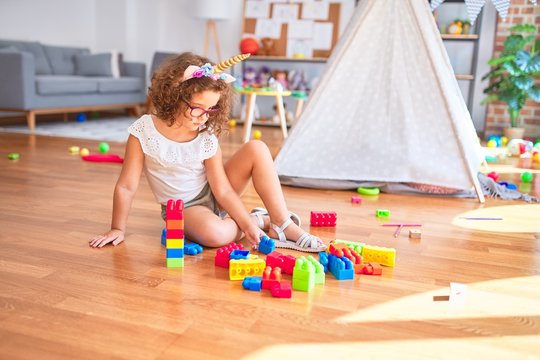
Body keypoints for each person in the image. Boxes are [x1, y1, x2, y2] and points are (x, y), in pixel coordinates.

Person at [89, 52, 326, 253]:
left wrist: (239, 220)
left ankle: (282, 223)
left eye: (210, 109)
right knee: (216, 235)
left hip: (216, 194)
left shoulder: (205, 136)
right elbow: (126, 186)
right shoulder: (144, 130)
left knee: (257, 148)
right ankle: (259, 220)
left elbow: (222, 189)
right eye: (197, 108)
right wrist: (117, 228)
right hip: (185, 207)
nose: (204, 116)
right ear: (174, 97)